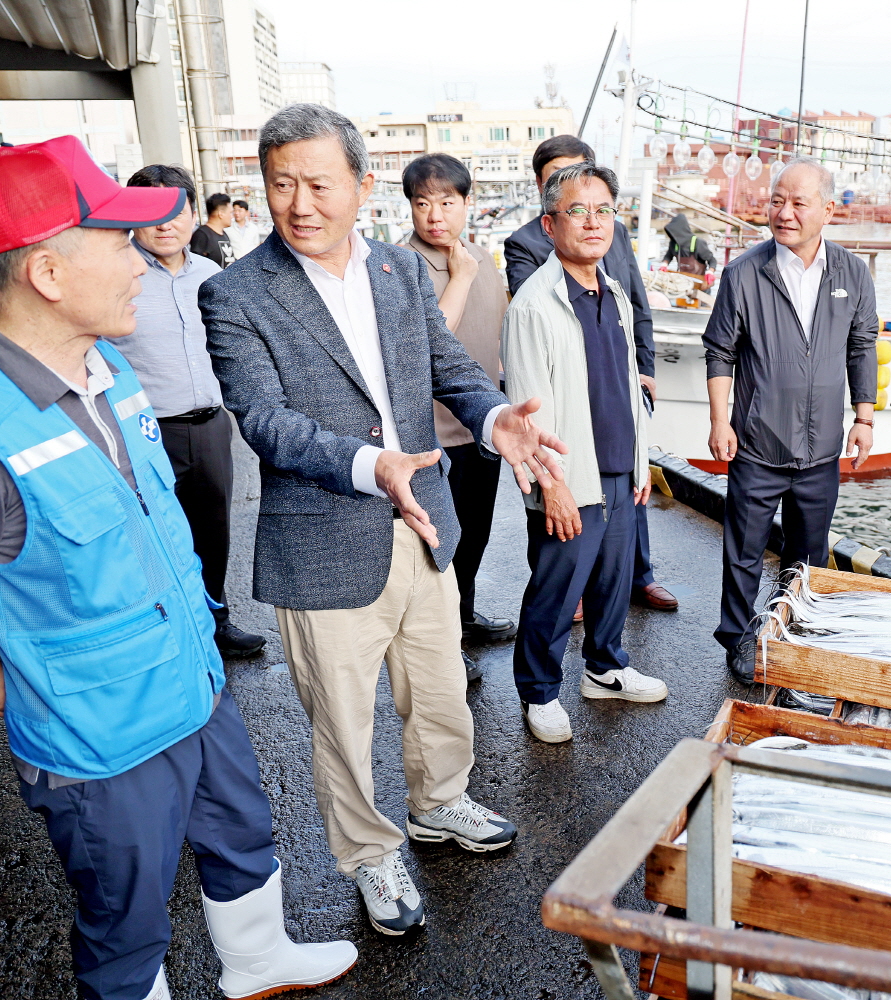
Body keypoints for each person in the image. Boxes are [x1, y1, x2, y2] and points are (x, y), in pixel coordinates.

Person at [0, 134, 356, 1000]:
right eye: (117, 239)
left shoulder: (106, 363)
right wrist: (61, 700)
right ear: (48, 272)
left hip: (193, 678)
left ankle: (256, 959)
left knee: (240, 829)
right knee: (126, 915)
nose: (143, 255)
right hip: (100, 742)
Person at [201, 104, 566, 937]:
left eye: (319, 183)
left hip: (424, 528)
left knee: (440, 691)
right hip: (323, 537)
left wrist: (495, 417)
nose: (300, 203)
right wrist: (373, 467)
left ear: (361, 186)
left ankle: (440, 804)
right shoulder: (236, 292)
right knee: (342, 719)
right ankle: (369, 854)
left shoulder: (401, 271)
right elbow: (262, 418)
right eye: (281, 183)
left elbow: (449, 368)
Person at [503, 162, 668, 744]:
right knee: (557, 586)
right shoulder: (533, 304)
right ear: (550, 224)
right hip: (570, 474)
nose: (593, 222)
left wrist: (642, 459)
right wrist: (553, 485)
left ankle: (604, 667)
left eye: (604, 210)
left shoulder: (616, 293)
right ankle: (540, 692)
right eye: (578, 211)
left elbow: (627, 384)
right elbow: (527, 413)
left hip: (621, 465)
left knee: (613, 579)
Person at [702, 157, 878, 682]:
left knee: (809, 556)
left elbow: (862, 345)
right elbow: (718, 351)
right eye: (778, 200)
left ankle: (793, 631)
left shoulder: (851, 272)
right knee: (743, 555)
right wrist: (720, 421)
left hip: (821, 448)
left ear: (827, 210)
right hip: (757, 444)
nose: (784, 212)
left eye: (799, 203)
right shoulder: (743, 274)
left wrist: (863, 418)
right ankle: (736, 640)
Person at [112, 164, 265, 657]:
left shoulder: (211, 273)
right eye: (150, 212)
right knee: (151, 535)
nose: (164, 224)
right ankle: (166, 631)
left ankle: (215, 621)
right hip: (142, 430)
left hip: (211, 425)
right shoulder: (118, 274)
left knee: (214, 530)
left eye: (175, 210)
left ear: (193, 212)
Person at [399, 155, 515, 663]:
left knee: (475, 534)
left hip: (482, 427)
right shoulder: (399, 264)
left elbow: (499, 328)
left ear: (468, 203)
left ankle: (464, 618)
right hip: (433, 436)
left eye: (447, 202)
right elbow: (424, 343)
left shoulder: (480, 257)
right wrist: (462, 276)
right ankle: (442, 647)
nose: (435, 215)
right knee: (437, 546)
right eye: (422, 203)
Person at [191, 192, 235, 268]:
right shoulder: (202, 235)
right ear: (221, 214)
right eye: (230, 213)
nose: (232, 217)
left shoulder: (224, 234)